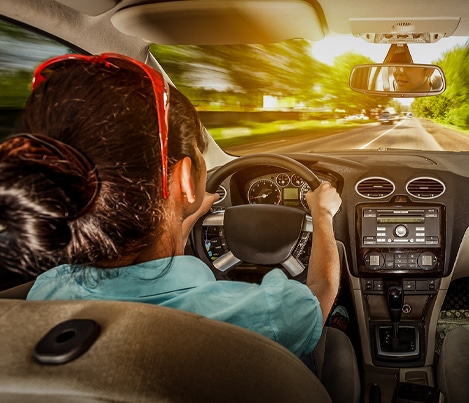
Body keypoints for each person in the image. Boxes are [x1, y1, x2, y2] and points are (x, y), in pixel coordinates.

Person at [0, 53, 342, 358]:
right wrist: (322, 215)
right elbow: (321, 293)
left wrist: (186, 210)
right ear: (183, 179)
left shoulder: (49, 288)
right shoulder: (263, 315)